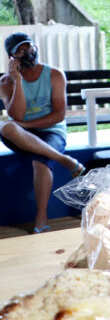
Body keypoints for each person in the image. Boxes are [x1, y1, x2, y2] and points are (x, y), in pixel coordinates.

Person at [0, 33, 86, 233]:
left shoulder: (55, 75)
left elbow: (58, 115)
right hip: (20, 134)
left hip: (51, 131)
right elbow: (16, 114)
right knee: (6, 127)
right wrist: (18, 81)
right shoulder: (5, 82)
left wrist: (27, 126)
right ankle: (64, 160)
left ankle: (41, 219)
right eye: (20, 50)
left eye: (29, 47)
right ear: (11, 57)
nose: (27, 52)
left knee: (40, 160)